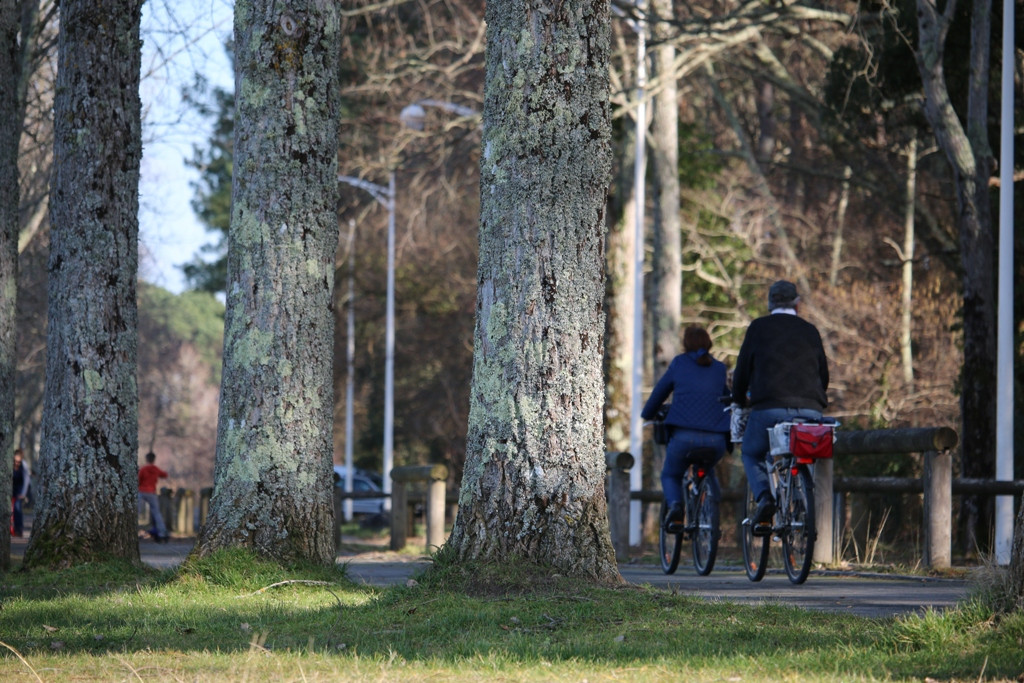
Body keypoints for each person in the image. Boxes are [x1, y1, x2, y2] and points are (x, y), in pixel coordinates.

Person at [731, 280, 829, 533]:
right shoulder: (810, 330)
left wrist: (739, 399)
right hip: (810, 408)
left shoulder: (758, 328)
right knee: (807, 450)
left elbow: (742, 372)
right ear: (797, 303)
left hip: (769, 407)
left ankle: (765, 498)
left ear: (769, 303)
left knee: (752, 452)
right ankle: (802, 499)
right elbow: (824, 375)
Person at [641, 326, 731, 532]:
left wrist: (647, 414)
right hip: (716, 440)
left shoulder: (679, 363)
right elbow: (726, 397)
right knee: (708, 468)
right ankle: (712, 507)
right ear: (709, 343)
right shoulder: (719, 368)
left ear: (685, 344)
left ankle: (676, 507)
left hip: (684, 438)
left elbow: (660, 392)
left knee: (670, 475)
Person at [138, 451, 169, 543]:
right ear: (154, 459)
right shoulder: (156, 469)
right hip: (152, 492)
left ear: (146, 459)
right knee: (157, 513)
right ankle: (162, 533)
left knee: (137, 511)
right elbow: (165, 475)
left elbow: (138, 480)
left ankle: (132, 530)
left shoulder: (143, 469)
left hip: (141, 492)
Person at [11, 449, 30, 537]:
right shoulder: (9, 464)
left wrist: (23, 493)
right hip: (11, 488)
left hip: (20, 489)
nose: (16, 463)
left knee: (17, 507)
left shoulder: (24, 465)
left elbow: (26, 480)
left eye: (18, 462)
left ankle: (19, 529)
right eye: (15, 461)